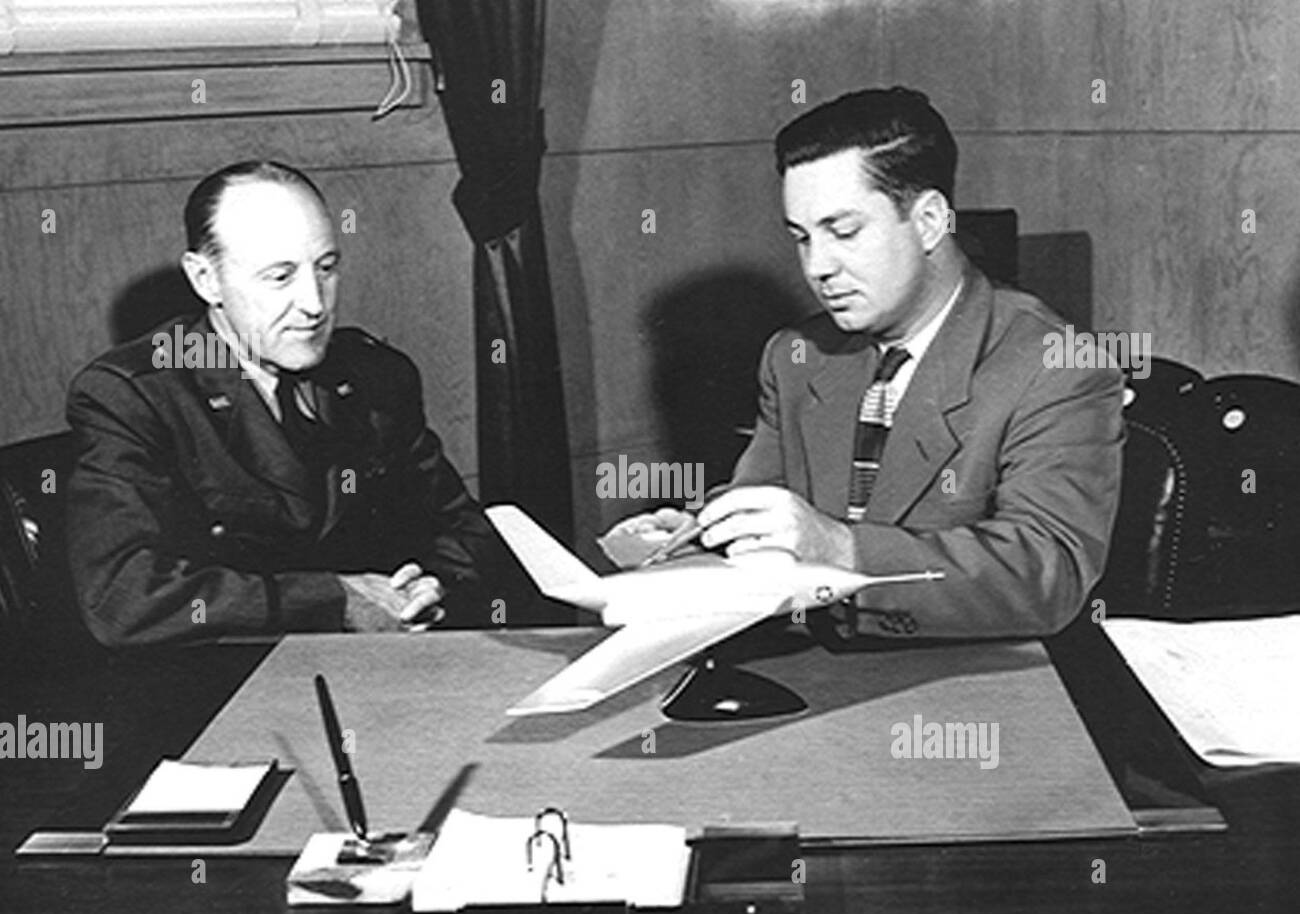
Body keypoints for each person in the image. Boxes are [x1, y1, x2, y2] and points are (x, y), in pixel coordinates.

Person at [620, 87, 1123, 640]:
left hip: (970, 685)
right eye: (801, 238)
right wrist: (701, 535)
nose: (818, 267)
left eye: (844, 232)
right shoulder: (797, 356)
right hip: (816, 675)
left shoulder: (1057, 366)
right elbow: (765, 502)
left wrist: (840, 548)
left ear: (930, 221)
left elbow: (1046, 578)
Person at [66, 160, 511, 646]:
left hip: (382, 670)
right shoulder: (134, 395)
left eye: (327, 268)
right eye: (280, 277)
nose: (315, 304)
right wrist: (335, 600)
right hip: (229, 687)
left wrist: (432, 582)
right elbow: (123, 597)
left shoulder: (375, 375)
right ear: (205, 280)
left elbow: (465, 529)